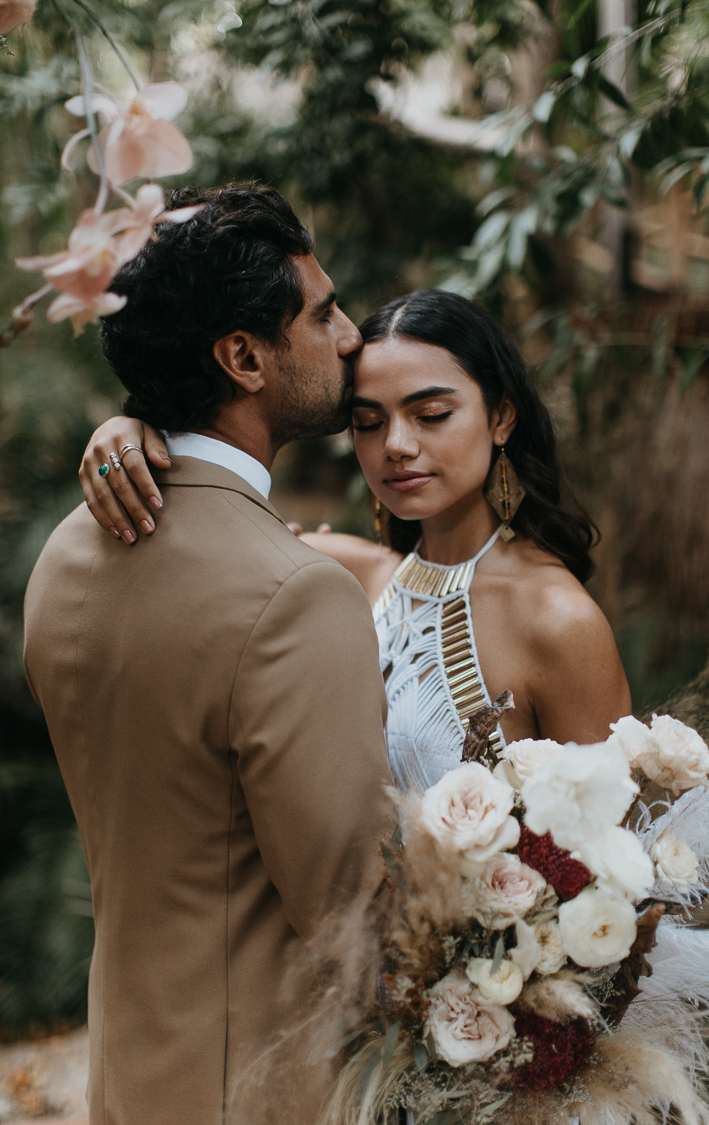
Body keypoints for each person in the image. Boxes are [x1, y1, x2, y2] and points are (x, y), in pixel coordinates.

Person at [23, 184, 395, 1125]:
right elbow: (354, 916)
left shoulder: (66, 555)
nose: (349, 335)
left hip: (129, 1077)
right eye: (323, 313)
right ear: (243, 357)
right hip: (265, 1093)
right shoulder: (297, 594)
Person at [79, 289, 631, 795]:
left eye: (431, 414)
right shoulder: (337, 574)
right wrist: (129, 431)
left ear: (502, 416)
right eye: (368, 422)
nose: (395, 445)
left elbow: (613, 868)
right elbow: (190, 564)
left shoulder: (559, 621)